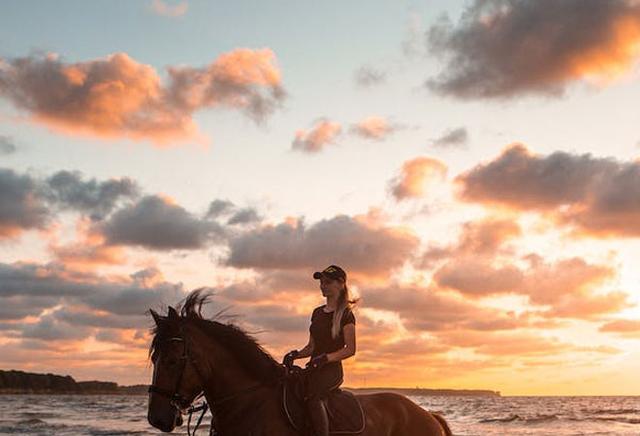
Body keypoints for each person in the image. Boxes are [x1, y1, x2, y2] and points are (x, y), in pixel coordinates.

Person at [283, 264, 357, 436]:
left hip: (331, 371)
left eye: (328, 282)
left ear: (340, 284)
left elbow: (350, 349)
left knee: (313, 397)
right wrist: (295, 355)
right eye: (321, 282)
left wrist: (325, 358)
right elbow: (311, 347)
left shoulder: (346, 315)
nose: (323, 286)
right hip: (314, 368)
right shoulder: (317, 313)